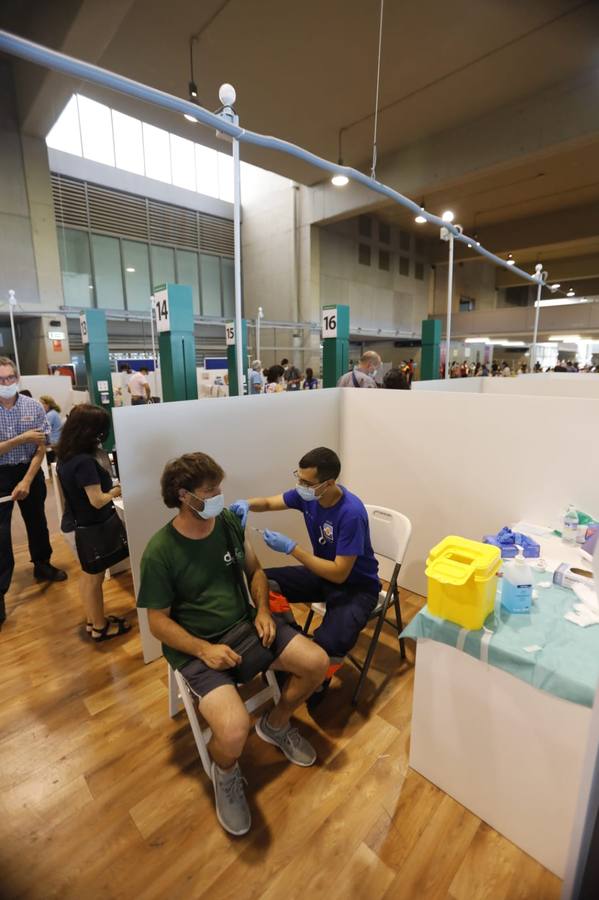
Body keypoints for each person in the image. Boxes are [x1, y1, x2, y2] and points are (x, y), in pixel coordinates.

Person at [137, 452, 328, 836]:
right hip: (198, 648)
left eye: (219, 490)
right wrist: (202, 649)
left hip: (247, 624)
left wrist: (260, 610)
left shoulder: (225, 522)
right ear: (184, 495)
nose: (219, 498)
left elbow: (255, 570)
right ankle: (224, 771)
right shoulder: (160, 551)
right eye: (210, 492)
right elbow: (157, 622)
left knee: (317, 662)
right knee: (234, 730)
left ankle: (276, 723)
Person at [230, 446, 380, 707]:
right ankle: (291, 639)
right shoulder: (309, 497)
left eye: (306, 482)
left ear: (329, 483)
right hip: (322, 574)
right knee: (265, 581)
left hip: (356, 587)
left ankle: (321, 678)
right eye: (298, 478)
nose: (300, 485)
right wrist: (246, 504)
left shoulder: (350, 513)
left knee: (331, 642)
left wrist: (293, 549)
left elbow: (340, 573)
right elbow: (268, 502)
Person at [0, 357, 67, 626]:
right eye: (1, 379)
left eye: (10, 378)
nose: (6, 383)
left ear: (17, 378)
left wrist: (27, 480)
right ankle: (1, 589)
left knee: (37, 521)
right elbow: (29, 441)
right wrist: (22, 438)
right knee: (1, 533)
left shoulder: (33, 407)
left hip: (30, 470)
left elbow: (41, 449)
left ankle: (42, 564)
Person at [56, 404, 130, 642]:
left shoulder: (66, 455)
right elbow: (97, 500)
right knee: (94, 578)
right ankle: (100, 627)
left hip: (75, 524)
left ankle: (93, 620)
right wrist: (117, 489)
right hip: (89, 528)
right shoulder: (84, 462)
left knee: (88, 577)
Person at [40, 395, 63, 463]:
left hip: (54, 442)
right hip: (57, 441)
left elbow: (43, 430)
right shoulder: (54, 413)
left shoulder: (50, 415)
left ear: (48, 405)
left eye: (42, 404)